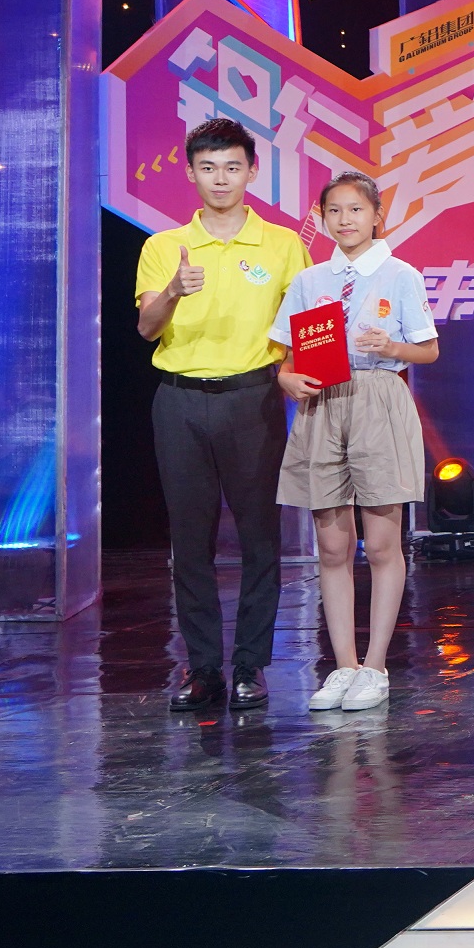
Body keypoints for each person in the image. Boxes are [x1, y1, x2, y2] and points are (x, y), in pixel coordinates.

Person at [137, 119, 311, 712]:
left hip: (253, 398)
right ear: (190, 173)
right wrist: (172, 291)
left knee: (261, 535)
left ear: (251, 172)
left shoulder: (283, 245)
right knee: (190, 540)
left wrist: (300, 378)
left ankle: (250, 666)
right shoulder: (164, 247)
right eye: (208, 168)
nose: (220, 179)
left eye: (232, 167)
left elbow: (307, 326)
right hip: (180, 400)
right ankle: (203, 667)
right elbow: (146, 328)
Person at [271, 171, 440, 713]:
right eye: (334, 211)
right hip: (323, 404)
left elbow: (428, 350)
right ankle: (343, 665)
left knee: (383, 543)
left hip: (378, 396)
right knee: (332, 545)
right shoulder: (310, 280)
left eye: (356, 210)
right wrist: (286, 378)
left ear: (376, 216)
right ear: (322, 218)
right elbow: (287, 356)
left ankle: (376, 666)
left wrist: (392, 346)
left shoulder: (400, 275)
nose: (345, 220)